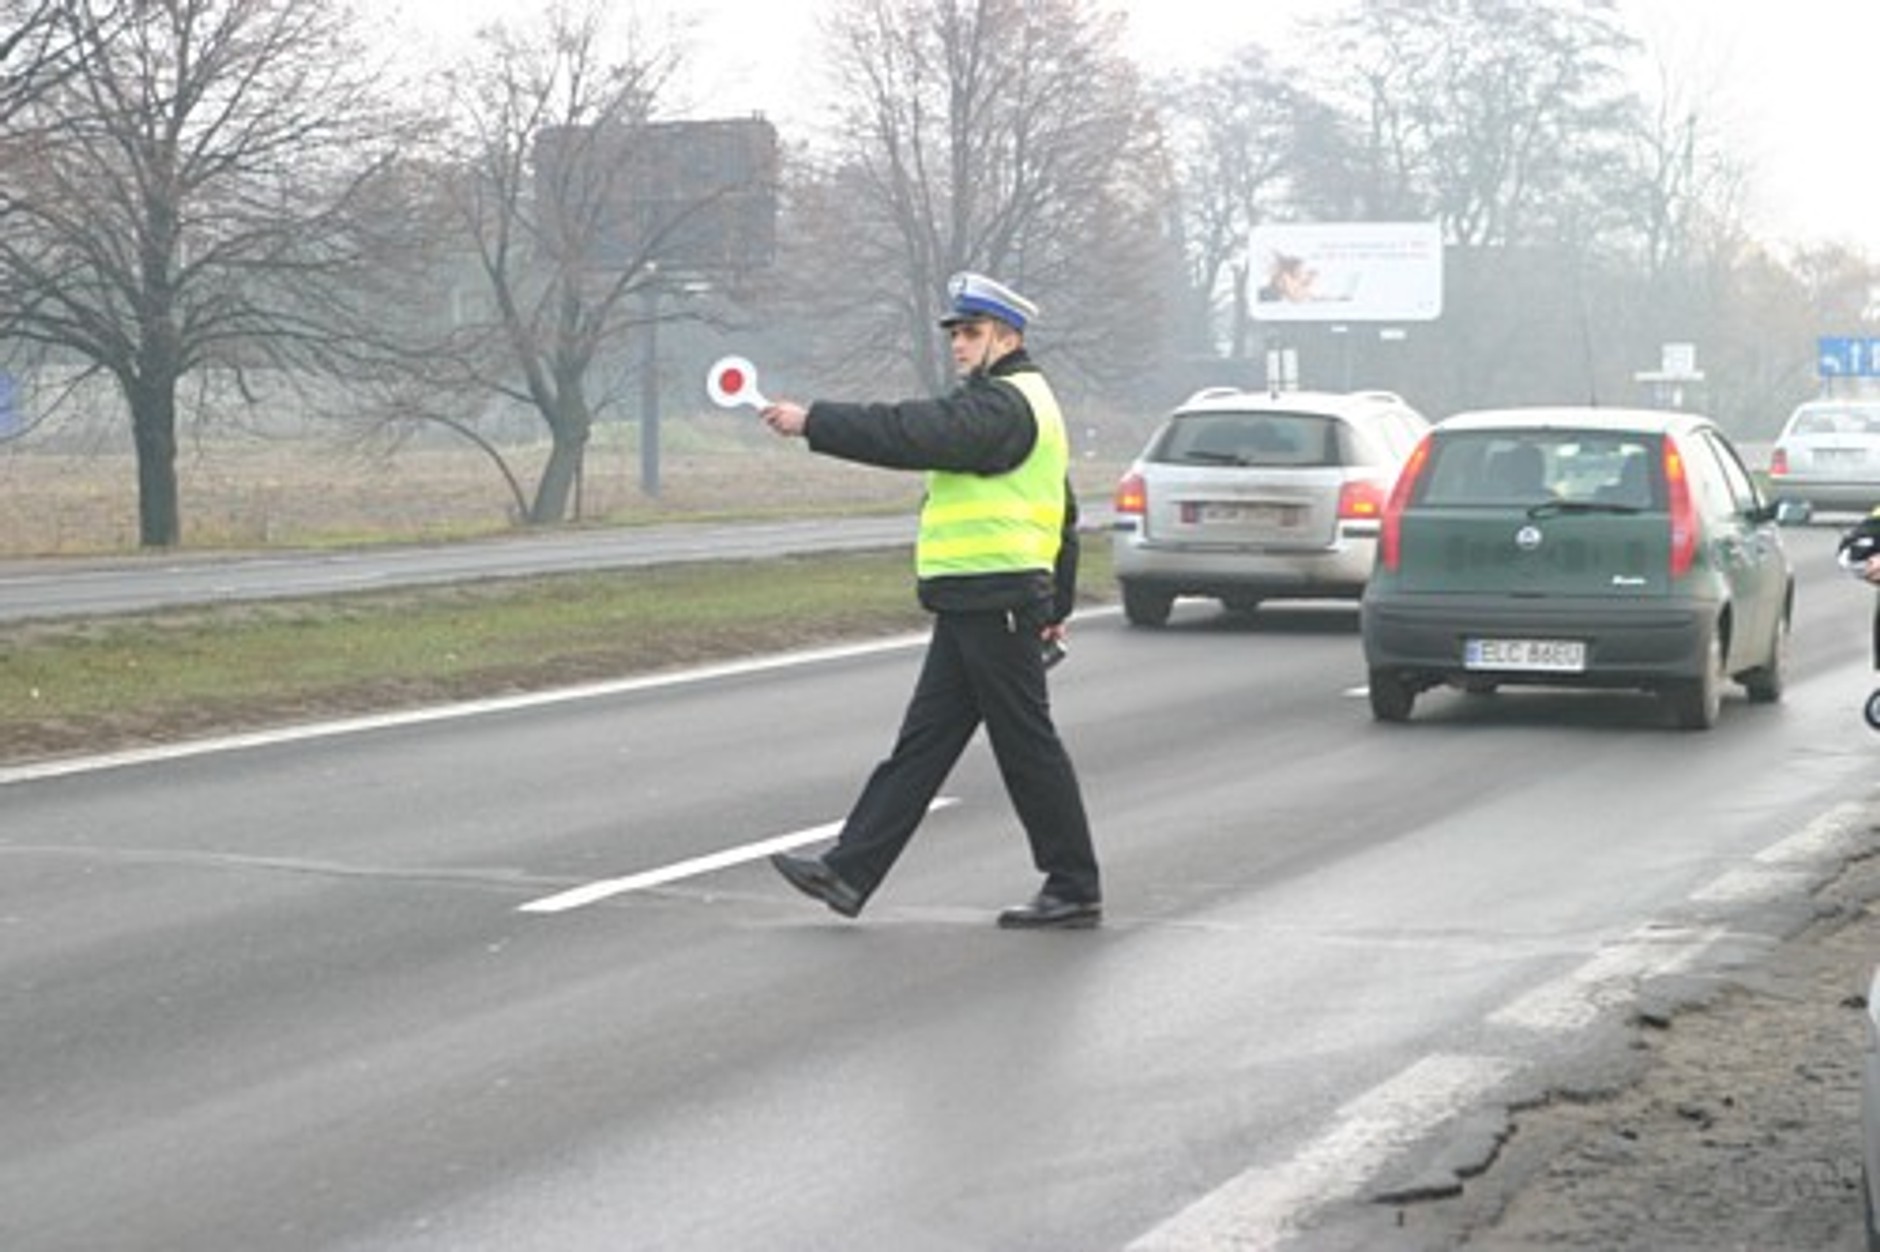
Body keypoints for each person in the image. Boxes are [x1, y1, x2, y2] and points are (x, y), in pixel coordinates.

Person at [758, 271, 1102, 929]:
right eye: (955, 334)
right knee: (923, 745)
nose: (959, 344)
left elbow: (910, 432)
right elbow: (1062, 512)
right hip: (981, 599)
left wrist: (814, 422)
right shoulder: (1017, 401)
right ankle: (848, 872)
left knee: (1026, 747)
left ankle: (1074, 885)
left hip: (998, 598)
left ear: (1007, 336)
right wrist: (1055, 607)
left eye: (971, 332)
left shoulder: (1002, 408)